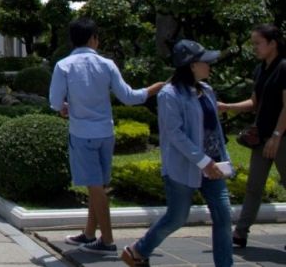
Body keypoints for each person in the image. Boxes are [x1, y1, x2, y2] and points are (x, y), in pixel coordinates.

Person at [49, 18, 165, 255]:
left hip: (82, 133)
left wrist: (64, 106)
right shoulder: (107, 64)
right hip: (105, 132)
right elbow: (129, 96)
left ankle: (108, 240)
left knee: (95, 187)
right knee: (98, 185)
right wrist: (154, 88)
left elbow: (54, 101)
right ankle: (89, 233)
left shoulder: (64, 65)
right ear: (93, 38)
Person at [122, 40, 232, 267]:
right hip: (184, 167)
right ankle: (139, 250)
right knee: (177, 218)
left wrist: (222, 158)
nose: (210, 66)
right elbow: (175, 133)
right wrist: (202, 160)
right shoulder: (169, 95)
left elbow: (215, 130)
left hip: (212, 166)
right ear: (191, 65)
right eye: (205, 62)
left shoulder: (207, 91)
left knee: (223, 214)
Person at [218, 23, 286, 249]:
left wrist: (277, 136)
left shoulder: (284, 67)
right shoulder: (261, 70)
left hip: (281, 137)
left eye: (258, 43)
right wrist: (228, 106)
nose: (254, 48)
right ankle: (240, 232)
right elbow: (255, 103)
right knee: (254, 186)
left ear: (272, 44)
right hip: (262, 138)